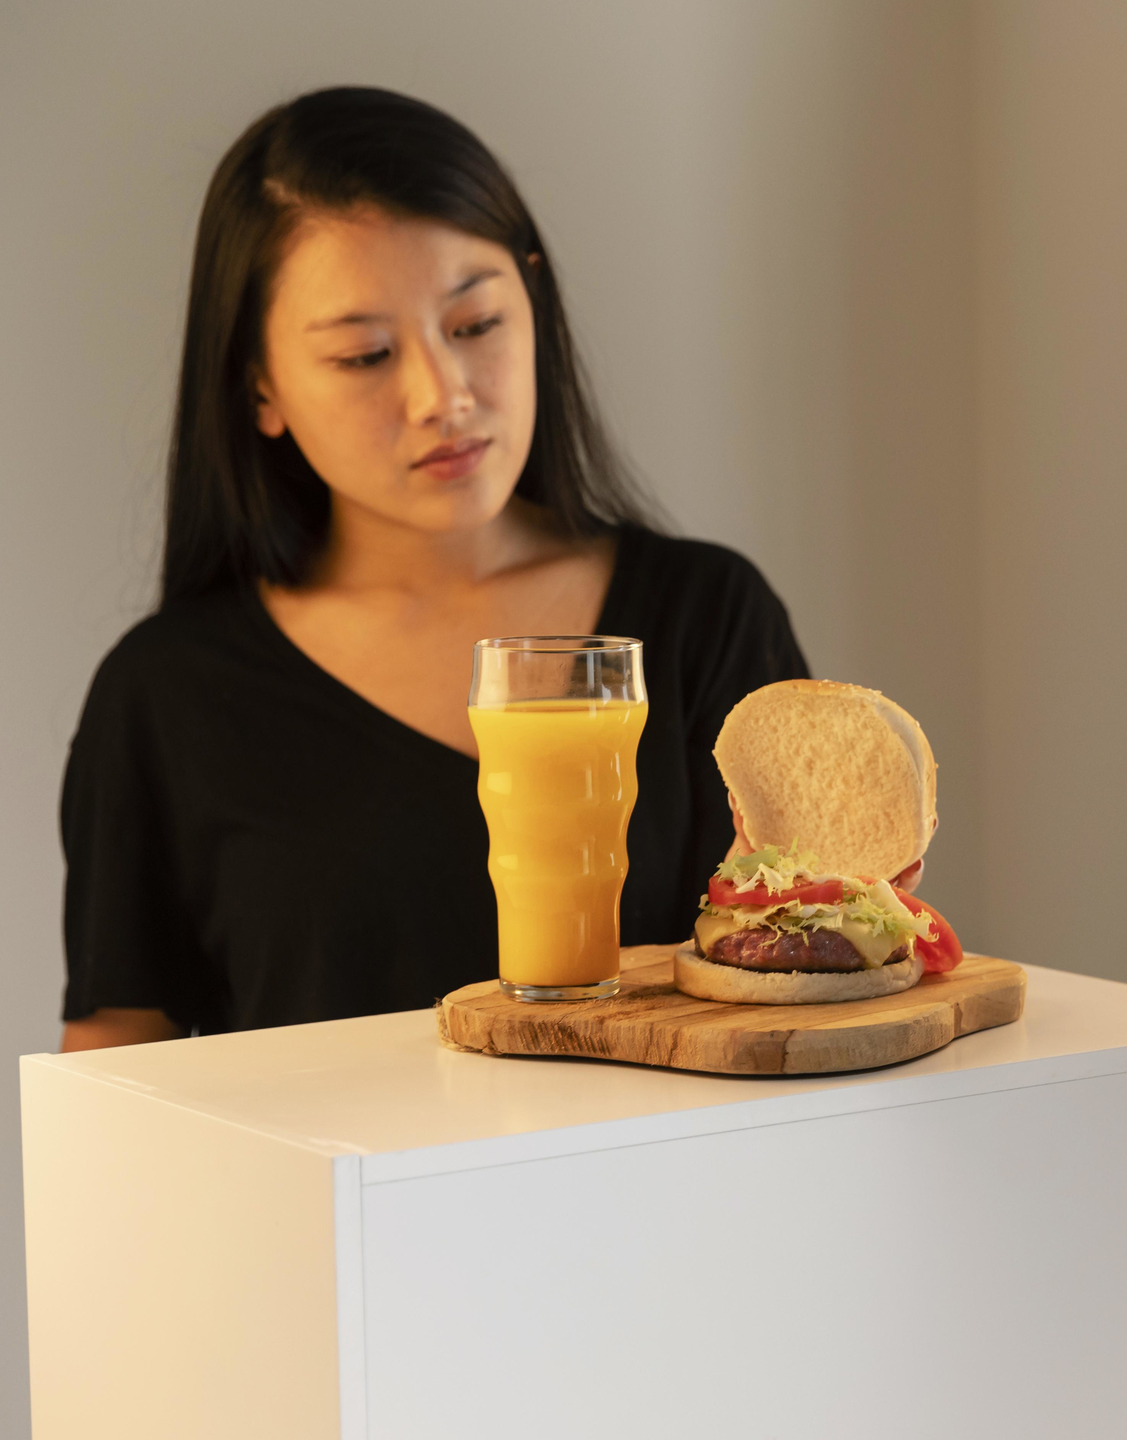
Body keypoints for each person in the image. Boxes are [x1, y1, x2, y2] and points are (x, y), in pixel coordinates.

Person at [60, 88, 809, 1049]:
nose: (442, 396)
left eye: (474, 326)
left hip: (680, 1200)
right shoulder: (166, 695)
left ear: (531, 300)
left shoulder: (707, 618)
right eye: (366, 354)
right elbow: (119, 1070)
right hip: (328, 1206)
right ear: (259, 386)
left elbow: (823, 969)